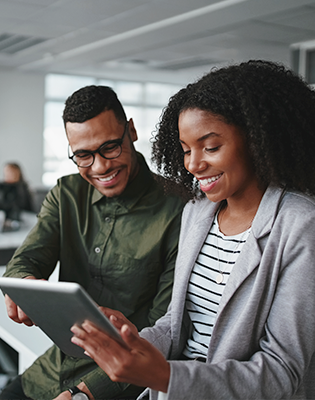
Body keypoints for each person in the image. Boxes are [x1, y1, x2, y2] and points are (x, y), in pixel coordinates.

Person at [71, 60, 315, 400]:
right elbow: (176, 325)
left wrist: (168, 375)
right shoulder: (197, 212)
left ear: (258, 139)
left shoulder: (301, 225)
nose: (193, 164)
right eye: (186, 150)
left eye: (211, 147)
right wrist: (130, 340)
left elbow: (280, 372)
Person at [1, 86, 184, 400]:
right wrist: (22, 283)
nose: (100, 167)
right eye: (84, 155)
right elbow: (25, 260)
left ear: (131, 131)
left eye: (111, 147)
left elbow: (165, 330)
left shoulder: (180, 209)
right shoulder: (66, 193)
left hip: (120, 384)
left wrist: (86, 394)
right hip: (52, 370)